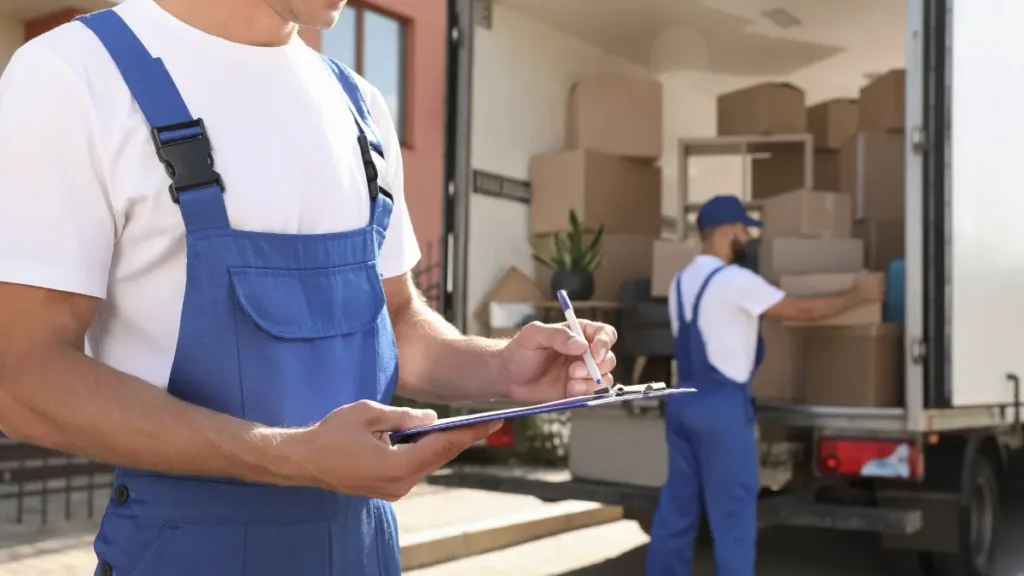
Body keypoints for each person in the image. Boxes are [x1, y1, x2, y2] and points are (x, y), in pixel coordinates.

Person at [0, 1, 618, 575]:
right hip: (184, 551)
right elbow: (23, 379)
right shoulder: (74, 76)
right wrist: (288, 456)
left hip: (364, 549)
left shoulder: (360, 107)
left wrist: (503, 369)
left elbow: (396, 318)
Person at [644, 195, 882, 576]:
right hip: (722, 410)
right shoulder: (735, 281)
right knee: (733, 521)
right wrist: (860, 295)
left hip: (683, 403)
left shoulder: (680, 283)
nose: (747, 239)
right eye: (742, 230)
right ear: (725, 232)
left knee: (677, 513)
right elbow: (802, 311)